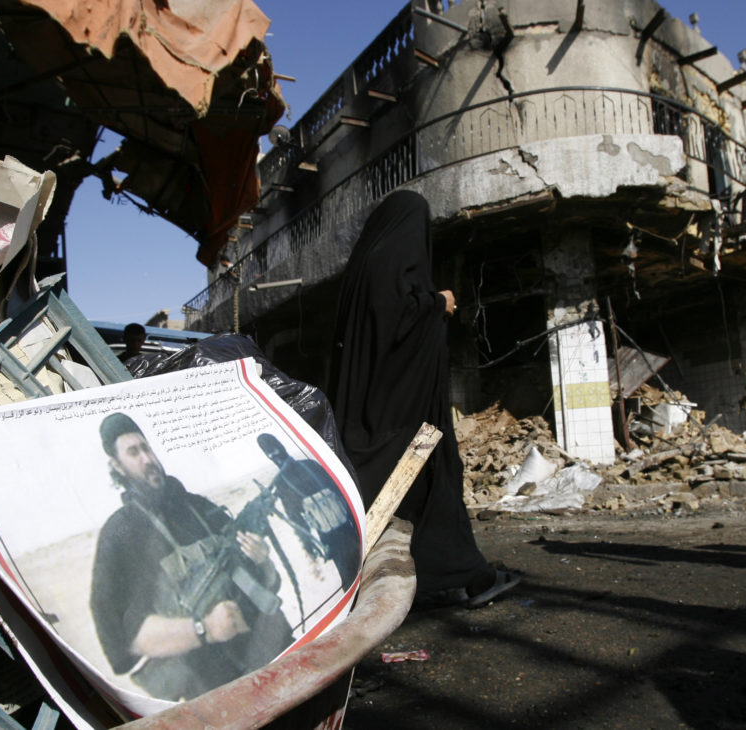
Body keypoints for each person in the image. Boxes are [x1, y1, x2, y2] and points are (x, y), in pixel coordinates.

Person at [328, 190, 520, 610]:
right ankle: (466, 579)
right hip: (407, 419)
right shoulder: (387, 268)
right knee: (432, 485)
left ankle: (453, 577)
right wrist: (438, 304)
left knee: (402, 498)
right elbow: (399, 322)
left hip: (369, 419)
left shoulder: (362, 268)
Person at [89, 413, 294, 701]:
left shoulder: (197, 506)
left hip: (276, 652)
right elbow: (122, 640)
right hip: (219, 691)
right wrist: (204, 629)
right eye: (133, 453)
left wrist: (262, 560)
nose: (147, 459)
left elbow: (267, 585)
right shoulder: (118, 536)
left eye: (146, 448)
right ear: (116, 466)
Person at [256, 433, 362, 592]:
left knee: (353, 584)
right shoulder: (309, 465)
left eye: (272, 452)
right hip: (349, 529)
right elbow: (340, 494)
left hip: (333, 539)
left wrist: (308, 550)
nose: (274, 455)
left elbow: (297, 521)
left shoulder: (282, 482)